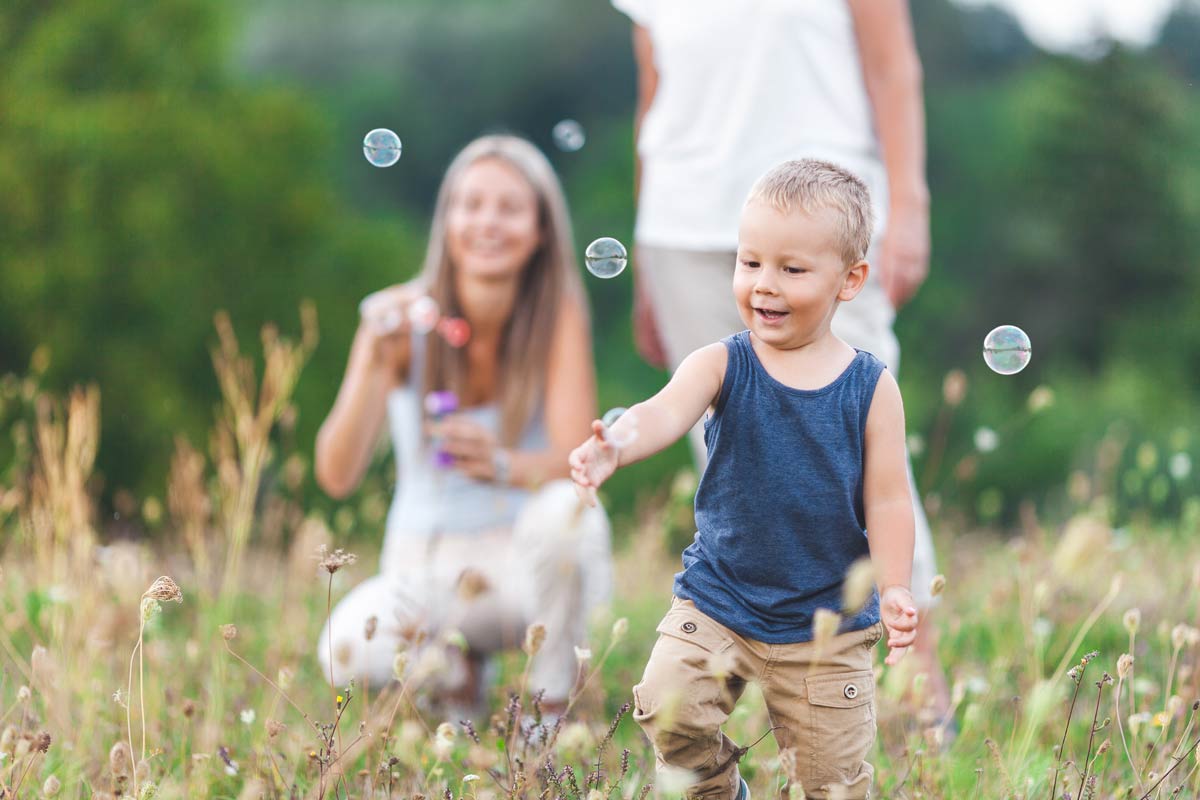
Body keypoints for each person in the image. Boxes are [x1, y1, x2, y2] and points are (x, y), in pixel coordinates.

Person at [612, 0, 950, 726]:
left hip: (825, 214)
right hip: (683, 223)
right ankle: (791, 691)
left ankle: (919, 701)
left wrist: (909, 203)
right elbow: (653, 94)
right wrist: (646, 253)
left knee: (860, 450)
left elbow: (892, 65)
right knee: (727, 463)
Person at [570, 160, 918, 800]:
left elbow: (890, 496)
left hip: (827, 626)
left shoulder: (870, 388)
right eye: (749, 262)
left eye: (792, 269)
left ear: (851, 280)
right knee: (667, 708)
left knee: (832, 784)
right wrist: (616, 445)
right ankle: (719, 791)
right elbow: (663, 411)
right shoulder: (722, 363)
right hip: (720, 599)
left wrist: (895, 585)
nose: (765, 285)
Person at [313, 135, 612, 720]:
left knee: (569, 513)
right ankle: (455, 677)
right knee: (344, 653)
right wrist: (371, 355)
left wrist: (502, 464)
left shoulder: (558, 318)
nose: (488, 223)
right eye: (471, 204)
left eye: (509, 208)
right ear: (446, 219)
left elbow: (580, 462)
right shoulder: (399, 323)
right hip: (424, 570)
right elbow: (337, 474)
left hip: (522, 573)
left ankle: (547, 709)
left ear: (541, 229)